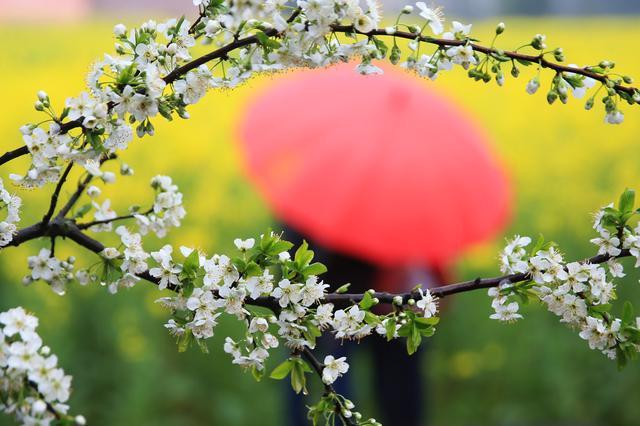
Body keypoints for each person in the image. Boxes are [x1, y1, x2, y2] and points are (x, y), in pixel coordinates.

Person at [283, 226, 449, 426]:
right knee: (326, 376)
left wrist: (417, 269)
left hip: (383, 296)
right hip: (331, 292)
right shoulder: (317, 214)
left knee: (398, 384)